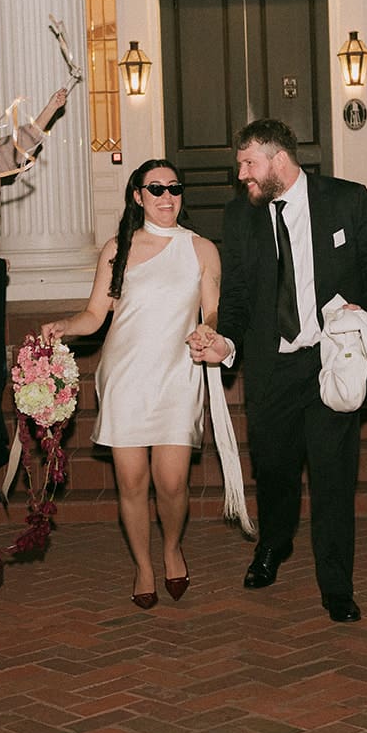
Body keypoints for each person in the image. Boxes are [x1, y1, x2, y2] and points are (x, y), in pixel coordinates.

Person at [189, 119, 367, 623]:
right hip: (271, 368)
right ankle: (275, 544)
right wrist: (227, 341)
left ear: (278, 160)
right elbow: (237, 296)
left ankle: (336, 586)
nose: (242, 175)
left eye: (248, 164)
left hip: (329, 363)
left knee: (333, 477)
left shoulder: (346, 200)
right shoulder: (241, 217)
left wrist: (356, 320)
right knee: (276, 470)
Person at [42, 159, 220, 608]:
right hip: (126, 376)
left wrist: (209, 330)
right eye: (155, 189)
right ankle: (143, 564)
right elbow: (94, 316)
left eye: (174, 188)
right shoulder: (116, 248)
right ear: (138, 196)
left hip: (178, 375)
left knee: (173, 482)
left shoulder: (201, 249)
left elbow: (213, 311)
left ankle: (172, 546)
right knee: (132, 481)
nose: (166, 197)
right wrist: (63, 325)